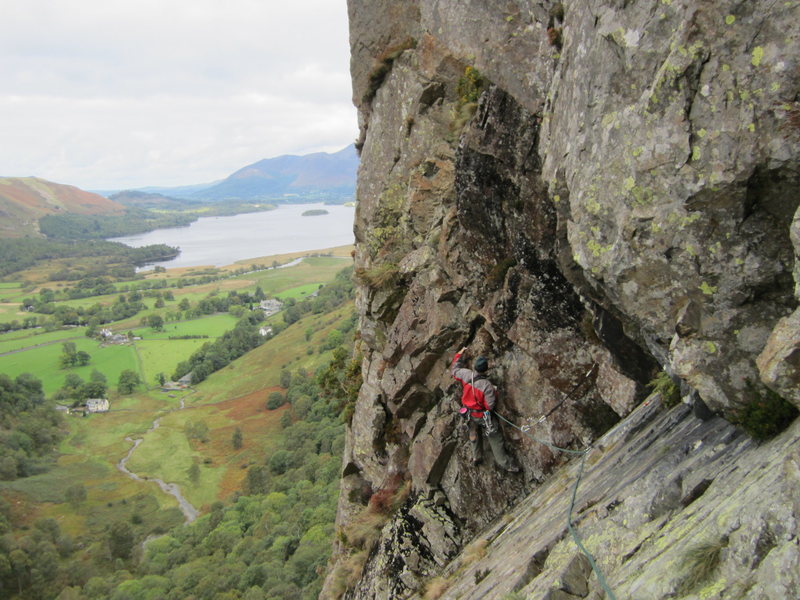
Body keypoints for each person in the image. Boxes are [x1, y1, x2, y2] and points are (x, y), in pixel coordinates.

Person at [451, 347, 519, 472]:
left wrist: (459, 355)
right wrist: (495, 392)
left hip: (468, 413)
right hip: (482, 416)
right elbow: (490, 406)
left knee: (473, 430)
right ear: (485, 369)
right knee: (495, 438)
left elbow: (455, 370)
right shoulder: (486, 386)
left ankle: (477, 456)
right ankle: (507, 464)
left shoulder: (466, 374)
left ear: (474, 367)